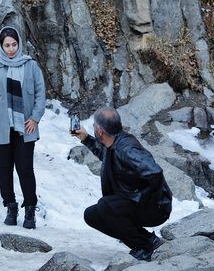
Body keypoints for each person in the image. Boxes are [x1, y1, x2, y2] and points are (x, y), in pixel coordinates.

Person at [71, 107, 172, 261]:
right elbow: (105, 156)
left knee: (106, 205)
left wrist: (142, 199)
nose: (92, 127)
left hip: (156, 208)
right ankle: (149, 240)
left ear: (100, 131)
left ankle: (144, 247)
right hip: (141, 202)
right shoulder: (112, 142)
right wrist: (85, 138)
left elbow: (155, 172)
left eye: (93, 126)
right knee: (92, 215)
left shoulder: (127, 149)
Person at [0, 26, 46, 229]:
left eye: (14, 45)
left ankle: (30, 210)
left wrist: (35, 118)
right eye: (6, 45)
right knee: (4, 170)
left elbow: (40, 93)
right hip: (0, 128)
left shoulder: (31, 66)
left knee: (25, 169)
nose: (10, 49)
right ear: (0, 46)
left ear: (19, 44)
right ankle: (10, 206)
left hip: (25, 128)